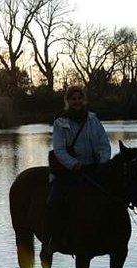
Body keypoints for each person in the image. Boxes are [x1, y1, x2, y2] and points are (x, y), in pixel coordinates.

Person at [41, 85, 111, 256]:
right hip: (69, 171)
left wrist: (103, 162)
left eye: (79, 98)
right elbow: (59, 150)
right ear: (67, 101)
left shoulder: (93, 120)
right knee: (54, 201)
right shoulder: (60, 123)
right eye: (73, 98)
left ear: (84, 99)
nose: (77, 101)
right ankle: (52, 240)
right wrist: (74, 164)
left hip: (93, 168)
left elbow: (104, 143)